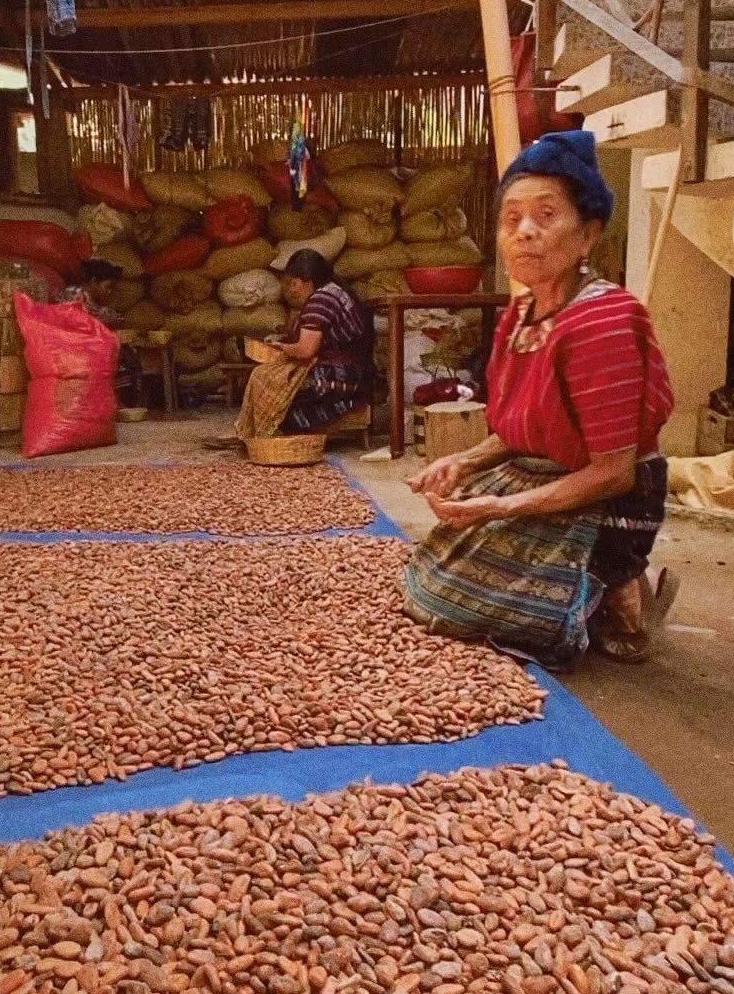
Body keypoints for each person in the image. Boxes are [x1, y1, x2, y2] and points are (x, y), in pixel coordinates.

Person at [402, 129, 678, 666]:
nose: (524, 232)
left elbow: (614, 471)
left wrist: (501, 506)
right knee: (432, 582)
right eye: (511, 220)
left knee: (489, 611)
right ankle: (603, 585)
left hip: (609, 496)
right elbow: (523, 427)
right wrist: (464, 460)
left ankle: (620, 585)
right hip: (540, 472)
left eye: (546, 216)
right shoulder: (520, 314)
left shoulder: (603, 319)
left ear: (588, 234)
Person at [234, 248, 369, 440]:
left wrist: (282, 348)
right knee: (264, 379)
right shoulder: (333, 292)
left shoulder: (322, 299)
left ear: (308, 279)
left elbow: (306, 350)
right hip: (350, 370)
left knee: (265, 380)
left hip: (341, 375)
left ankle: (271, 433)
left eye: (294, 283)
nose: (292, 290)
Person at [58, 259, 144, 408]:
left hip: (88, 345)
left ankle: (119, 402)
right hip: (71, 347)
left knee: (128, 355)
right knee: (119, 358)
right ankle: (114, 403)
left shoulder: (95, 302)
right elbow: (75, 323)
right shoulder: (74, 295)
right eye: (107, 287)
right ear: (93, 281)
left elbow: (103, 315)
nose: (110, 292)